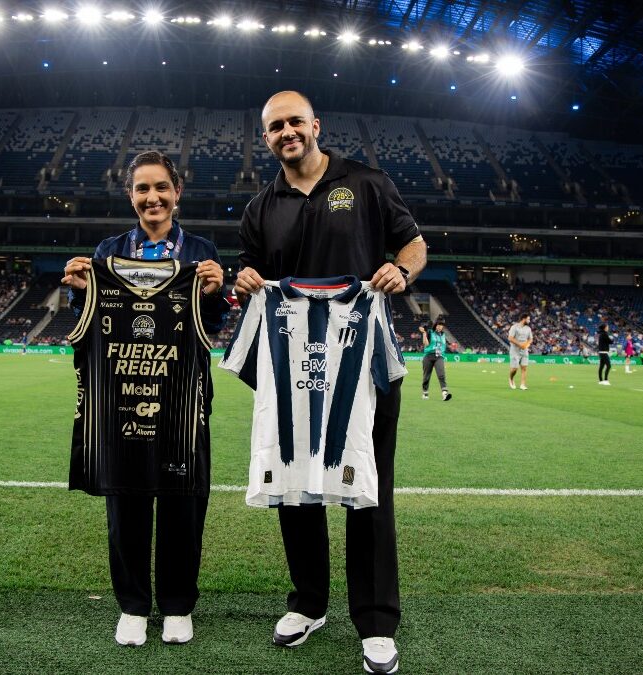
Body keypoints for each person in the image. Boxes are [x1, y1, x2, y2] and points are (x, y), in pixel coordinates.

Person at [232, 91, 426, 674]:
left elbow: (415, 243)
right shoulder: (260, 207)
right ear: (265, 139)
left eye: (294, 122)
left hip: (362, 361)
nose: (286, 132)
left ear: (316, 126)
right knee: (296, 483)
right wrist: (245, 281)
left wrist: (402, 267)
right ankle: (309, 603)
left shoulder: (366, 182)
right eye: (274, 127)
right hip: (293, 365)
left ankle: (375, 620)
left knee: (367, 486)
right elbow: (251, 276)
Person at [61, 150, 229, 648]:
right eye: (141, 189)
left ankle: (177, 605)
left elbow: (212, 327)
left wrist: (216, 293)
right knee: (126, 502)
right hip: (119, 398)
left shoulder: (201, 250)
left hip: (182, 398)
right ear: (130, 195)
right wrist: (78, 289)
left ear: (177, 193)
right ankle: (133, 605)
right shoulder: (106, 251)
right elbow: (89, 323)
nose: (151, 197)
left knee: (183, 503)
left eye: (160, 187)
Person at [420, 320, 451, 400]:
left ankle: (444, 393)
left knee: (441, 374)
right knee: (426, 376)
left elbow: (443, 347)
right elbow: (426, 344)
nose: (440, 326)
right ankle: (425, 392)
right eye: (438, 325)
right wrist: (424, 333)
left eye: (441, 325)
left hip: (439, 356)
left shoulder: (443, 335)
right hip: (428, 356)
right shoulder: (430, 332)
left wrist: (444, 358)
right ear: (435, 325)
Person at [508, 313, 532, 390]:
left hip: (524, 350)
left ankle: (522, 384)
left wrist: (526, 344)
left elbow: (530, 339)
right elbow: (510, 338)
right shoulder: (514, 327)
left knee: (524, 368)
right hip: (515, 350)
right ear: (523, 319)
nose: (529, 320)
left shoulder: (528, 328)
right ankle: (511, 379)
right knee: (515, 368)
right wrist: (520, 344)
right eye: (528, 319)